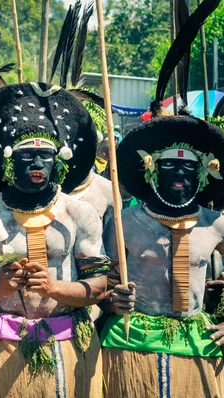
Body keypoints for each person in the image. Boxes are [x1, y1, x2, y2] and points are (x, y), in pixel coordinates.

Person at [0, 83, 108, 397]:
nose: (37, 164)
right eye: (27, 156)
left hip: (68, 342)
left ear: (57, 163)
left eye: (45, 156)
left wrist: (54, 288)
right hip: (6, 346)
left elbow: (100, 286)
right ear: (10, 163)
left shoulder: (78, 213)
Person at [101, 116, 224, 397]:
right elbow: (101, 282)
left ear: (202, 173)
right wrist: (110, 300)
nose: (180, 174)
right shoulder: (124, 223)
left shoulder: (215, 223)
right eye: (169, 165)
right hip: (133, 336)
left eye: (189, 166)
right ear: (152, 170)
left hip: (195, 337)